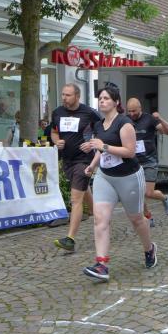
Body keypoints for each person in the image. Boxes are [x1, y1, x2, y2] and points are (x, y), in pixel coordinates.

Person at [81, 85, 156, 281]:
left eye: (106, 98)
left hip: (129, 177)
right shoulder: (99, 125)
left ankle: (149, 248)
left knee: (136, 219)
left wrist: (104, 146)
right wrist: (92, 166)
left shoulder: (125, 123)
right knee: (100, 219)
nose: (102, 101)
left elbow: (129, 152)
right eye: (100, 98)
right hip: (105, 177)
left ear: (116, 102)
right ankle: (102, 265)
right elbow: (100, 151)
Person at [50, 83, 101, 253]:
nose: (64, 98)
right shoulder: (57, 112)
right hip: (67, 160)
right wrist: (56, 141)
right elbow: (54, 131)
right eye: (63, 94)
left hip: (84, 160)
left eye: (68, 95)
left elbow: (103, 131)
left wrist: (92, 143)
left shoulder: (89, 113)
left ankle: (70, 239)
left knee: (75, 198)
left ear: (77, 96)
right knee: (82, 190)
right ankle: (100, 218)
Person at [126, 98, 168, 227]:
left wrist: (160, 119)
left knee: (148, 192)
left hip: (149, 161)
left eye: (134, 111)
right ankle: (148, 217)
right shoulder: (126, 120)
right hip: (133, 162)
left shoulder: (149, 119)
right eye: (129, 111)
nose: (132, 114)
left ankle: (165, 198)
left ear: (140, 108)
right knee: (137, 194)